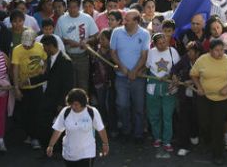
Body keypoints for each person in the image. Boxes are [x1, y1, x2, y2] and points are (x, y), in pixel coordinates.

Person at [190, 38, 227, 165]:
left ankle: (218, 154)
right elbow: (193, 74)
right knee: (204, 123)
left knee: (217, 125)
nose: (220, 53)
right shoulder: (202, 60)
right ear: (210, 50)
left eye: (222, 50)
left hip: (223, 99)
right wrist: (199, 87)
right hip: (204, 97)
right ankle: (208, 144)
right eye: (217, 50)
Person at [110, 10, 150, 143]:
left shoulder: (144, 34)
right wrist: (122, 67)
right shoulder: (116, 32)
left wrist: (134, 70)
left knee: (139, 106)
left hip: (138, 77)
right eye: (124, 19)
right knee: (122, 104)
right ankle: (126, 129)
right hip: (121, 76)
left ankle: (138, 133)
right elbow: (113, 53)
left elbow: (144, 56)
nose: (124, 22)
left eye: (127, 20)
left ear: (136, 21)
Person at [30, 35, 74, 148]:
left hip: (59, 99)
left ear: (50, 46)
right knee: (44, 122)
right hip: (50, 97)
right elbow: (46, 76)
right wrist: (29, 81)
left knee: (59, 125)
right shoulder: (50, 58)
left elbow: (68, 84)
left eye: (44, 46)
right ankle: (48, 147)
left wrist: (62, 102)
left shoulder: (65, 61)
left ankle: (58, 148)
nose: (43, 49)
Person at [47, 88, 110, 166]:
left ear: (83, 103)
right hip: (69, 153)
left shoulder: (92, 112)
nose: (73, 107)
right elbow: (58, 130)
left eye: (76, 104)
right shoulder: (65, 112)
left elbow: (101, 129)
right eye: (71, 104)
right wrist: (51, 145)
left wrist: (105, 144)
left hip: (87, 153)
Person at [145, 32, 181, 155]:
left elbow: (178, 68)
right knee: (154, 114)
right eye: (159, 43)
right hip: (153, 85)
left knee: (167, 115)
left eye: (164, 42)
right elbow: (147, 68)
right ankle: (157, 137)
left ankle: (167, 141)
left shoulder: (173, 51)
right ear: (154, 44)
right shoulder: (151, 52)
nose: (162, 45)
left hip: (168, 86)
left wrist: (170, 76)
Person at [12, 29, 47, 150]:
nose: (27, 47)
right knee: (25, 113)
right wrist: (16, 88)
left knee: (37, 111)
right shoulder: (17, 50)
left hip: (37, 85)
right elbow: (15, 69)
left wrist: (44, 69)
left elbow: (47, 59)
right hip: (23, 86)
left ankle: (35, 137)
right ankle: (29, 134)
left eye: (29, 44)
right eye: (25, 45)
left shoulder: (40, 47)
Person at [54, 0, 99, 92]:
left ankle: (84, 104)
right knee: (70, 84)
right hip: (67, 56)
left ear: (79, 7)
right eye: (69, 7)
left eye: (74, 7)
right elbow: (57, 39)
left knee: (83, 84)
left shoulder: (87, 18)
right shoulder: (61, 20)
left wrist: (87, 41)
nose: (72, 9)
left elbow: (96, 36)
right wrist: (67, 42)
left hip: (83, 57)